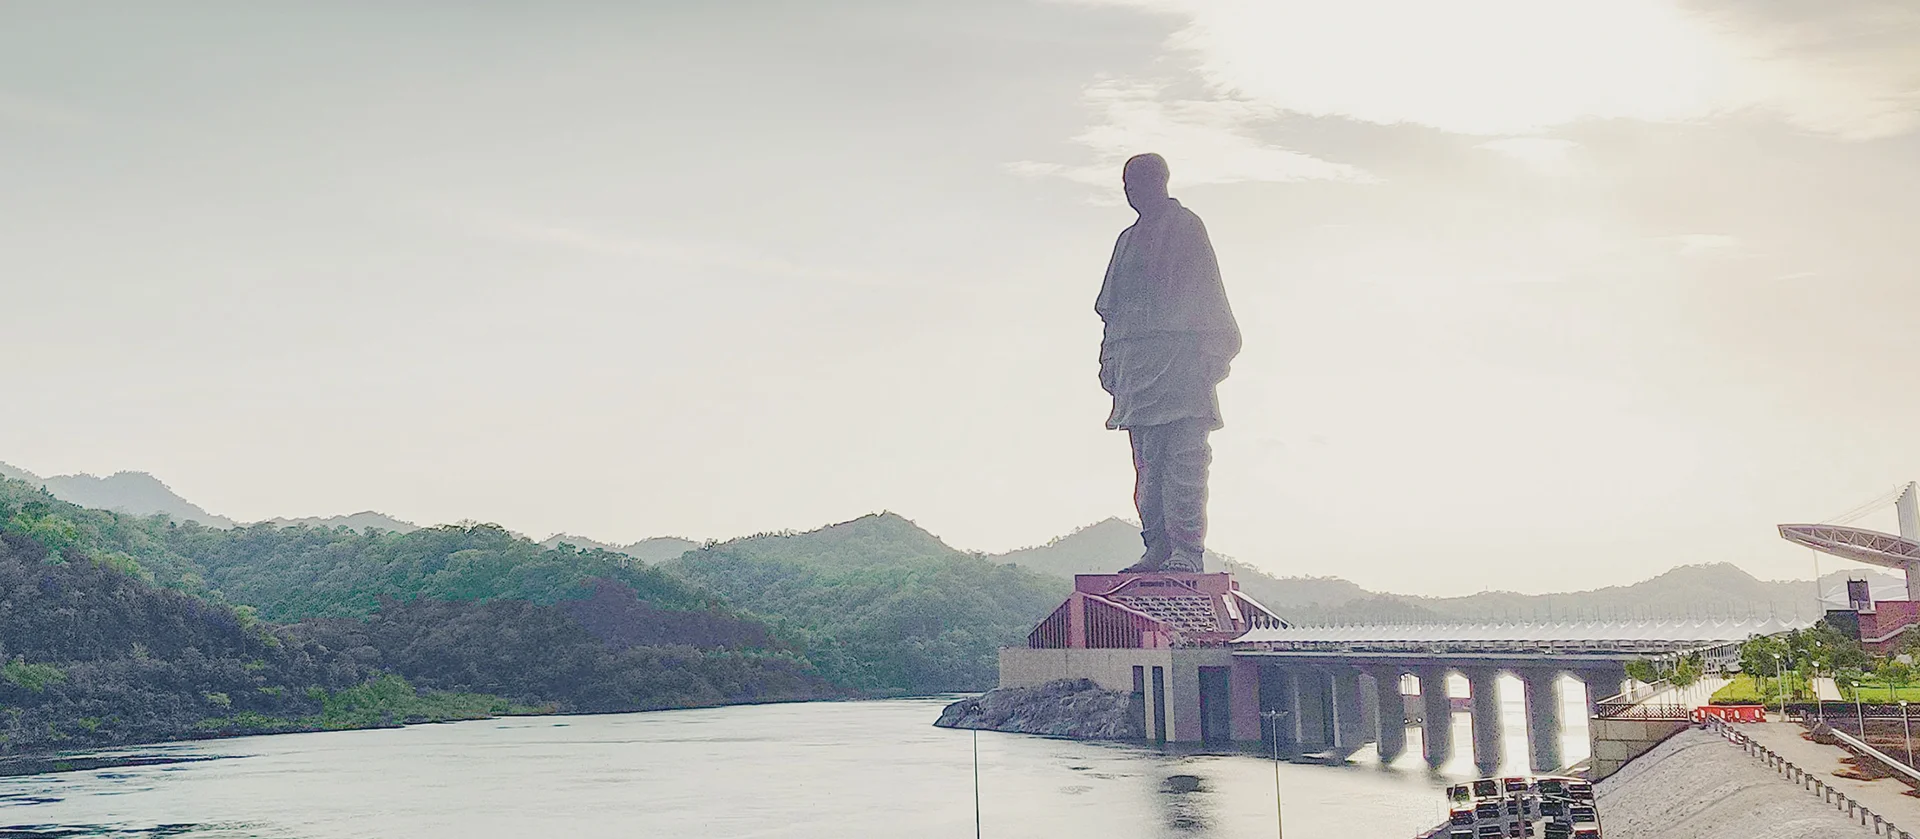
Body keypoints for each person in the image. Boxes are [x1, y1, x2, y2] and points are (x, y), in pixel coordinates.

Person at [1095, 153, 1240, 574]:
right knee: (1148, 466)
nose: (1129, 192)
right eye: (1125, 184)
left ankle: (1186, 550)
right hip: (1137, 365)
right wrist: (1110, 357)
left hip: (1180, 360)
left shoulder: (1186, 228)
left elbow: (1208, 292)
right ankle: (1155, 545)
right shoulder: (1126, 239)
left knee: (1185, 461)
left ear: (1160, 182)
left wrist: (1212, 352)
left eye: (1136, 183)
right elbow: (1111, 307)